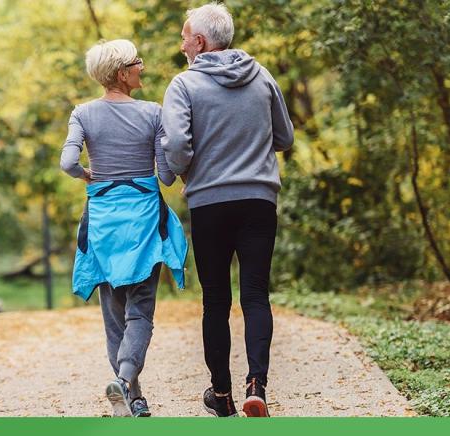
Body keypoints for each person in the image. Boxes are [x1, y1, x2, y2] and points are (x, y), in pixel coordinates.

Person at [161, 3, 294, 418]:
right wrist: (249, 152)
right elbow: (284, 136)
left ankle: (221, 394)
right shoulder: (263, 75)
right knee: (256, 295)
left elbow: (178, 147)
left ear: (199, 42)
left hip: (209, 202)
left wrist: (184, 172)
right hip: (259, 200)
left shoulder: (183, 86)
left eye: (185, 36)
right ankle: (258, 385)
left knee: (216, 300)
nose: (182, 44)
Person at [60, 39, 188, 418]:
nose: (142, 66)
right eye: (136, 62)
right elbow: (165, 176)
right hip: (143, 221)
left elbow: (68, 162)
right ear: (122, 73)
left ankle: (130, 394)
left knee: (114, 313)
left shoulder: (82, 113)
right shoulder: (153, 112)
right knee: (141, 310)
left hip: (102, 221)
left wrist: (86, 174)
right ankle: (128, 378)